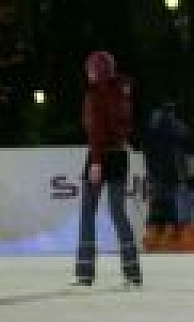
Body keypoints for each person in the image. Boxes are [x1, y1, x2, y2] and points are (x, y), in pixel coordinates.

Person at [74, 50, 142, 287]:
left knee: (87, 213)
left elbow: (95, 129)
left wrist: (95, 161)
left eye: (91, 68)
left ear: (99, 70)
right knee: (118, 213)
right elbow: (127, 125)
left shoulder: (95, 93)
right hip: (120, 154)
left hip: (100, 155)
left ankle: (85, 273)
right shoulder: (124, 91)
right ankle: (133, 272)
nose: (88, 73)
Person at [142, 101, 193, 251]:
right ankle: (175, 240)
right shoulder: (179, 127)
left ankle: (153, 239)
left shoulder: (152, 127)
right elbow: (188, 144)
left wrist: (151, 169)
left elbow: (147, 150)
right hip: (174, 173)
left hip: (156, 173)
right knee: (174, 204)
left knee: (157, 204)